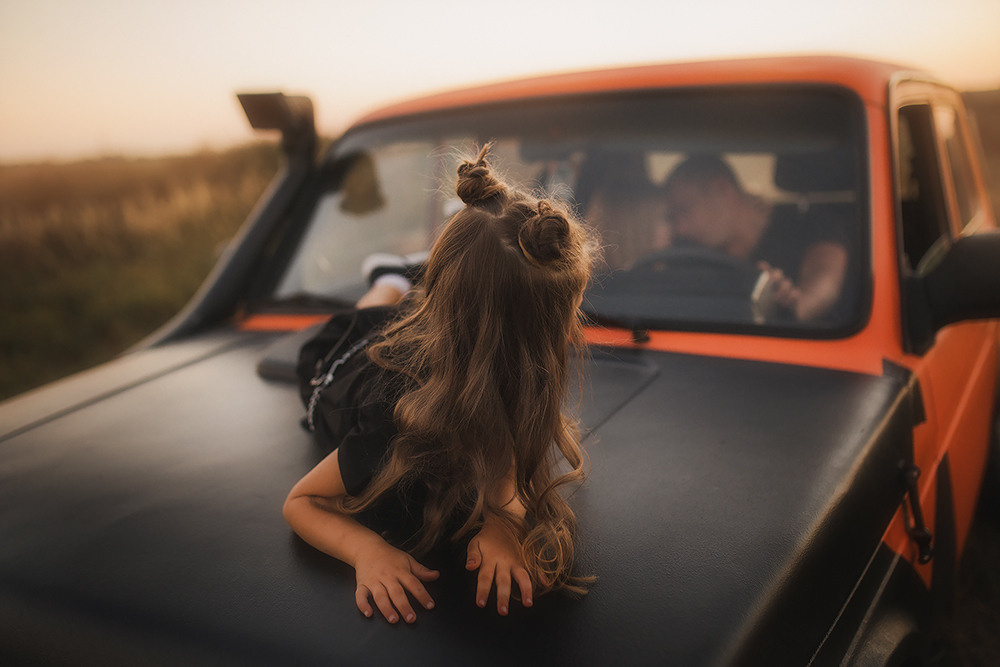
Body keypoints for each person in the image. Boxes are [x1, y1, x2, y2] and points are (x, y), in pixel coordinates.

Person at [283, 144, 599, 625]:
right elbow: (302, 502)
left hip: (419, 335)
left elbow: (503, 467)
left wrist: (502, 524)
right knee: (370, 312)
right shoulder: (395, 415)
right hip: (340, 363)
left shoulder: (513, 383)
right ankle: (390, 275)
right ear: (547, 335)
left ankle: (398, 283)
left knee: (389, 315)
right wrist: (368, 551)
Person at [662, 155, 848, 322]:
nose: (680, 229)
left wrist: (789, 309)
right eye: (673, 218)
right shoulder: (691, 253)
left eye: (684, 211)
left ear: (722, 189)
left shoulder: (810, 223)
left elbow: (824, 286)